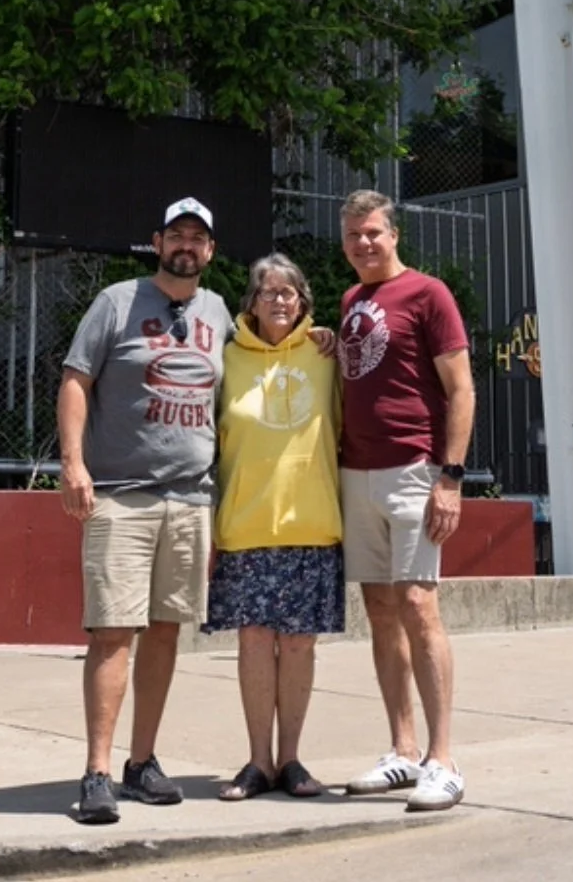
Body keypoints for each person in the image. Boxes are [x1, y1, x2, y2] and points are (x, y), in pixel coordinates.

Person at [57, 197, 233, 825]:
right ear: (157, 241)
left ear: (210, 251)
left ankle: (142, 763)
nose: (187, 246)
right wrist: (73, 464)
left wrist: (315, 338)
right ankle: (97, 772)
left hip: (190, 500)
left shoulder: (218, 313)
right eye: (177, 235)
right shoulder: (116, 302)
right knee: (111, 634)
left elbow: (258, 369)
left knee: (164, 632)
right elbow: (76, 379)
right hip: (121, 496)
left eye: (199, 238)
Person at [333, 189, 473, 813]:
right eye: (354, 235)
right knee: (380, 609)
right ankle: (402, 751)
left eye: (374, 232)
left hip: (416, 470)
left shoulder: (429, 294)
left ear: (394, 236)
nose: (364, 243)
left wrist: (452, 476)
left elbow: (461, 388)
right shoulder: (350, 302)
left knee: (419, 605)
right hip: (355, 473)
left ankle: (443, 761)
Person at [204, 253, 344, 802]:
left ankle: (291, 760)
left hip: (311, 523)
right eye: (269, 292)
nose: (280, 300)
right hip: (246, 525)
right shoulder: (227, 358)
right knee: (254, 643)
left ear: (304, 300)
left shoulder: (327, 355)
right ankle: (258, 761)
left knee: (300, 646)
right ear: (252, 302)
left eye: (289, 292)